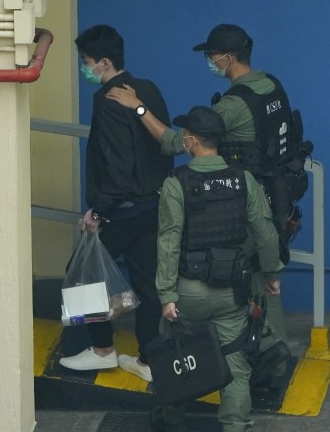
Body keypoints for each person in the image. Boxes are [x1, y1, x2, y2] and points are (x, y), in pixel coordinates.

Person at [107, 24, 296, 387]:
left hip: (244, 200)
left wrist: (139, 107)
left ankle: (259, 361)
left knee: (246, 282)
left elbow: (179, 142)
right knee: (263, 281)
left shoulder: (235, 104)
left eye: (212, 55)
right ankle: (275, 358)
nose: (210, 61)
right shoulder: (270, 85)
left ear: (227, 57)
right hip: (275, 194)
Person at [150, 105, 283, 432]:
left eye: (185, 136)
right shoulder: (244, 180)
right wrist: (271, 273)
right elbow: (265, 232)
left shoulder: (177, 183)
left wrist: (167, 295)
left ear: (192, 141)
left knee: (177, 353)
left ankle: (172, 420)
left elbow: (168, 241)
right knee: (235, 365)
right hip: (230, 292)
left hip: (188, 293)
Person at [58, 25, 173, 382]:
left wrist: (99, 211)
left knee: (83, 275)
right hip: (152, 206)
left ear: (104, 63)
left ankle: (102, 350)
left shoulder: (108, 102)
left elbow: (117, 166)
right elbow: (163, 146)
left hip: (121, 210)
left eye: (86, 61)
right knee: (148, 285)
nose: (84, 67)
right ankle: (150, 359)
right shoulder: (148, 90)